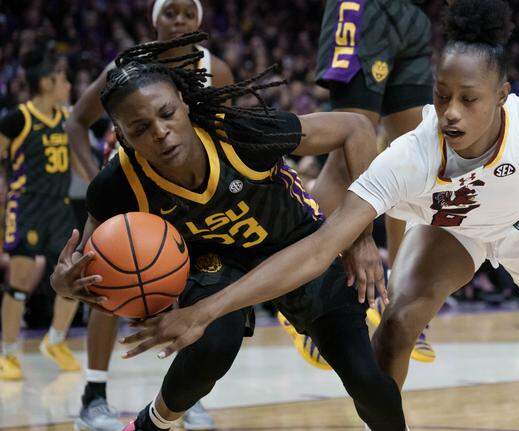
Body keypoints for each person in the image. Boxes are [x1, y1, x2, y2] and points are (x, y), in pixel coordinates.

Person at [105, 2, 519, 430]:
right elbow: (317, 245)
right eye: (440, 95)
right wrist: (355, 242)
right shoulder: (412, 156)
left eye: (467, 99)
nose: (448, 111)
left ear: (501, 97)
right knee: (396, 324)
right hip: (454, 230)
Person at [52, 32, 406, 431]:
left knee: (366, 380)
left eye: (167, 114)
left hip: (298, 246)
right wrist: (65, 285)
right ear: (121, 136)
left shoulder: (240, 133)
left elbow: (356, 128)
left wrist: (360, 238)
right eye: (140, 128)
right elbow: (86, 269)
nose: (161, 132)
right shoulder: (117, 183)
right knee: (213, 343)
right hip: (215, 264)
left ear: (184, 104)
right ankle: (151, 424)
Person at [65, 1, 233, 429]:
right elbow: (76, 123)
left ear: (199, 18)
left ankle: (183, 393)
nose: (179, 21)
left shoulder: (219, 68)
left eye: (186, 13)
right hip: (132, 182)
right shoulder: (128, 63)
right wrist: (93, 182)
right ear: (154, 18)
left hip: (188, 188)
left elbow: (230, 134)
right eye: (170, 13)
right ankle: (94, 395)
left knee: (190, 287)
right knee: (105, 280)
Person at [281, 0, 437, 370]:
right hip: (368, 8)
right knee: (345, 155)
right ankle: (296, 292)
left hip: (414, 16)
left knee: (412, 158)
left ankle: (395, 297)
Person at [0, 47, 84, 380]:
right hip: (27, 205)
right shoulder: (17, 118)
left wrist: (99, 186)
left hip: (60, 205)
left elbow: (79, 162)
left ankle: (56, 339)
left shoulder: (68, 118)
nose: (68, 85)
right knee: (20, 280)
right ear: (48, 82)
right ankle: (7, 352)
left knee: (74, 276)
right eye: (63, 80)